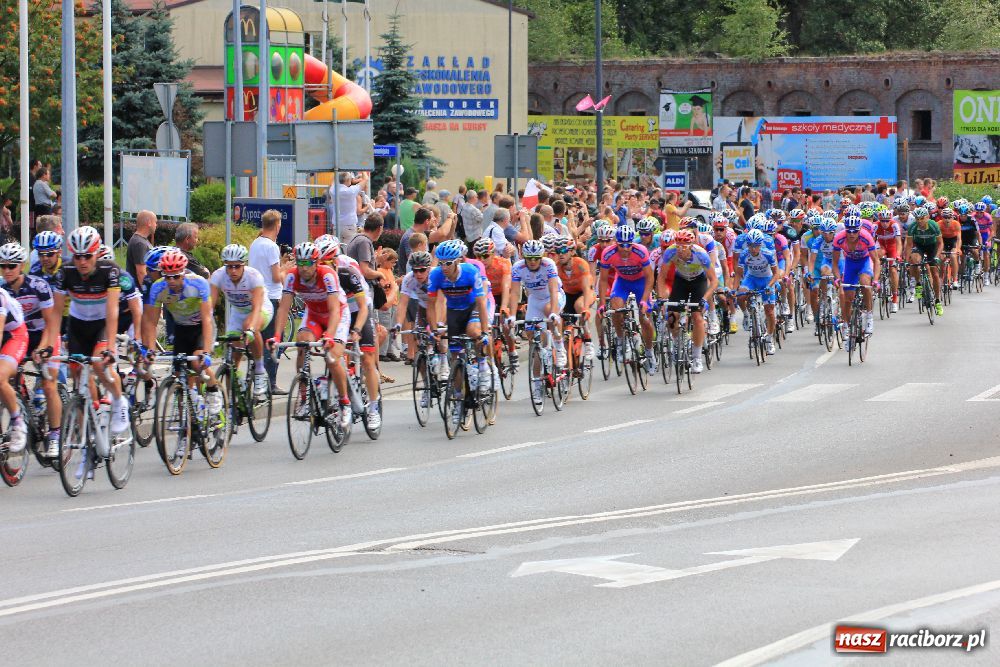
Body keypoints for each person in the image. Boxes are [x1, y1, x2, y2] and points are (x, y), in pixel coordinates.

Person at [52, 226, 131, 438]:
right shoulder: (66, 272)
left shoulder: (109, 270)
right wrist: (50, 345)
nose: (82, 262)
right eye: (77, 256)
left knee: (99, 364)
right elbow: (56, 313)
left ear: (96, 253)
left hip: (102, 324)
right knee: (76, 372)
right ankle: (92, 415)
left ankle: (118, 399)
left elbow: (113, 311)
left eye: (87, 256)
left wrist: (111, 347)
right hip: (78, 325)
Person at [267, 242, 349, 426]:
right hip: (314, 315)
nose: (304, 268)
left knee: (332, 357)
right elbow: (283, 309)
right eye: (300, 263)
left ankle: (344, 402)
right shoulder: (291, 276)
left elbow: (335, 310)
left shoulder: (327, 275)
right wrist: (277, 336)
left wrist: (329, 335)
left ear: (317, 262)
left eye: (308, 263)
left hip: (336, 315)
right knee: (302, 343)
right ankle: (304, 397)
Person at [142, 249, 222, 423]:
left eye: (176, 276)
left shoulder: (198, 284)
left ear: (184, 273)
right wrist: (149, 349)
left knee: (197, 361)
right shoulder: (158, 288)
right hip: (182, 328)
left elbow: (207, 319)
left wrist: (207, 352)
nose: (171, 281)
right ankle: (190, 415)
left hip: (201, 326)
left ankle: (213, 391)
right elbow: (150, 322)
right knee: (179, 373)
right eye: (167, 276)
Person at [1, 242, 60, 456]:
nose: (7, 271)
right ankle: (22, 408)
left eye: (12, 266)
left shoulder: (38, 286)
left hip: (44, 333)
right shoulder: (3, 289)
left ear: (22, 265)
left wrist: (45, 347)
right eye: (3, 266)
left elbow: (51, 321)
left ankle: (55, 434)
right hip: (17, 336)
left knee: (49, 383)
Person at [210, 243, 274, 397]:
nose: (233, 271)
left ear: (243, 265)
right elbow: (209, 307)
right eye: (229, 266)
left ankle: (259, 370)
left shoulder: (253, 276)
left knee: (249, 327)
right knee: (232, 356)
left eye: (237, 266)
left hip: (260, 309)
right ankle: (233, 401)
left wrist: (251, 328)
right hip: (238, 312)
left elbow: (257, 306)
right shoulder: (218, 276)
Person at [249, 209, 290, 394]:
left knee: (261, 340)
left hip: (257, 297)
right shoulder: (272, 246)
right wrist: (287, 268)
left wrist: (280, 264)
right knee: (273, 341)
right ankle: (270, 382)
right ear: (278, 225)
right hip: (272, 297)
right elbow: (275, 277)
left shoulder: (255, 243)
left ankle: (259, 377)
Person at [734, 229, 780, 355]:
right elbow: (739, 273)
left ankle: (769, 339)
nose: (753, 249)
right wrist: (734, 289)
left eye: (756, 246)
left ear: (760, 245)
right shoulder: (744, 254)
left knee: (770, 311)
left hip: (767, 280)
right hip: (751, 278)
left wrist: (770, 286)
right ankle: (747, 315)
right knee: (740, 295)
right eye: (750, 245)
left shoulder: (768, 254)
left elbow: (776, 274)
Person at [328, 171, 369, 242]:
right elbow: (365, 179)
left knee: (337, 249)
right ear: (347, 180)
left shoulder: (332, 189)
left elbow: (334, 179)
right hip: (349, 225)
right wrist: (364, 170)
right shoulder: (351, 191)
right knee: (349, 250)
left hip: (336, 225)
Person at [126, 210, 157, 284]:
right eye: (155, 222)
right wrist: (146, 292)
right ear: (149, 223)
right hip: (139, 291)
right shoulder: (139, 243)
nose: (156, 225)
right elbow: (141, 273)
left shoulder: (142, 240)